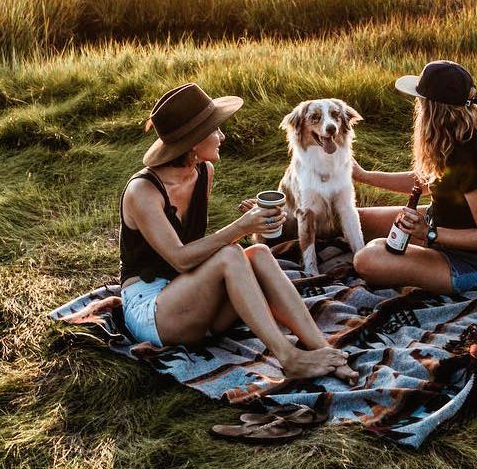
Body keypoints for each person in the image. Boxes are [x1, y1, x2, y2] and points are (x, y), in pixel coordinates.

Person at [119, 83, 358, 383]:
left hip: (190, 299)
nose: (222, 136)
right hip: (151, 309)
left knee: (258, 252)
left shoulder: (203, 172)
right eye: (215, 129)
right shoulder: (143, 191)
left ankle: (324, 349)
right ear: (192, 142)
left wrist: (253, 225)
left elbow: (196, 251)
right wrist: (242, 226)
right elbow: (180, 258)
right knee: (232, 255)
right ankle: (289, 357)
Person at [352, 61, 477, 294]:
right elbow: (425, 181)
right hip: (440, 225)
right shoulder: (451, 140)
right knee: (354, 219)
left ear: (432, 108)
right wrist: (363, 176)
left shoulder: (474, 156)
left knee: (368, 258)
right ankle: (284, 223)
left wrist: (427, 233)